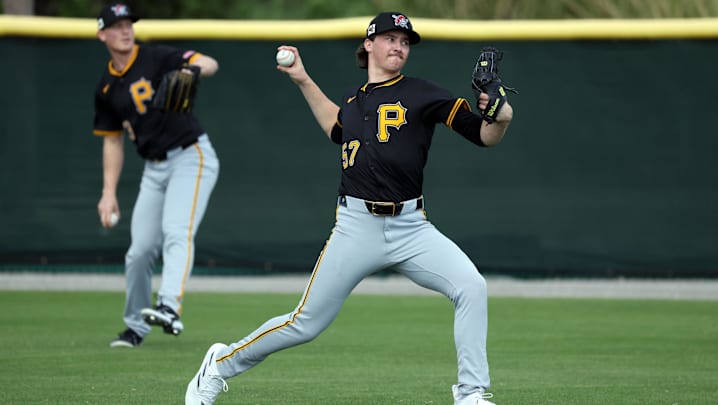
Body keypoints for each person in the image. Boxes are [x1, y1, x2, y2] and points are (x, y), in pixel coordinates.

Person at [185, 11, 512, 405]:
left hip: (412, 226)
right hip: (356, 226)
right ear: (369, 44)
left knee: (471, 287)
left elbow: (484, 135)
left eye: (406, 42)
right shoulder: (355, 102)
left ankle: (471, 394)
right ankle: (220, 363)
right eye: (391, 38)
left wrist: (501, 114)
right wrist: (302, 78)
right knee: (305, 323)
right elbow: (334, 127)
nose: (399, 46)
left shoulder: (423, 92)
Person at [93, 3, 220, 348]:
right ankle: (135, 326)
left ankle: (168, 306)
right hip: (154, 167)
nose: (125, 30)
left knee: (176, 231)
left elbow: (209, 62)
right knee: (139, 252)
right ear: (102, 34)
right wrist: (108, 192)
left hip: (191, 156)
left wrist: (193, 71)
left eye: (128, 24)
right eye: (116, 25)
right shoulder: (107, 87)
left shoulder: (157, 57)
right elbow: (113, 142)